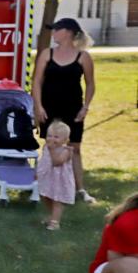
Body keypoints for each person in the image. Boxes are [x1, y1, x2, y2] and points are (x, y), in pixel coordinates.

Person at [32, 18, 96, 203]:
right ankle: (45, 186)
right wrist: (38, 106)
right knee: (50, 145)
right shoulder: (47, 54)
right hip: (49, 107)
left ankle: (79, 189)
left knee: (74, 147)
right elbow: (37, 81)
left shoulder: (83, 56)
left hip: (73, 108)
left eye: (56, 30)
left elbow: (90, 84)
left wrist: (85, 106)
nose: (53, 33)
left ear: (68, 32)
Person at [36, 120, 75, 231]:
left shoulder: (66, 151)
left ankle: (55, 222)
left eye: (56, 137)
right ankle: (52, 215)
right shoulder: (46, 147)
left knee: (57, 200)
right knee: (45, 196)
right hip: (48, 176)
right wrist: (38, 173)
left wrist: (52, 150)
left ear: (65, 140)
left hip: (60, 180)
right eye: (49, 136)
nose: (51, 139)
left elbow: (57, 162)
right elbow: (44, 161)